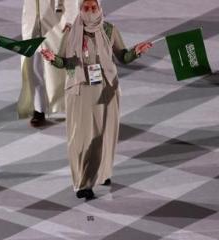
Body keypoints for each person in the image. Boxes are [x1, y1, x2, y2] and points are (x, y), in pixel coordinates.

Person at [41, 0, 152, 199]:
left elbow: (122, 56)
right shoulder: (71, 31)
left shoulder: (109, 30)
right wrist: (52, 58)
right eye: (86, 8)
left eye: (94, 8)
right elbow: (64, 62)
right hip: (80, 91)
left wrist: (136, 51)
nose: (90, 12)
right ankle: (82, 183)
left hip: (107, 88)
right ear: (80, 10)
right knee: (82, 138)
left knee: (106, 134)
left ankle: (102, 173)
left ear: (100, 9)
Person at [19, 0, 79, 127]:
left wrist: (71, 20)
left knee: (60, 68)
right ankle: (39, 109)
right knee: (34, 68)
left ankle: (70, 105)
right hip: (32, 24)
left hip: (56, 25)